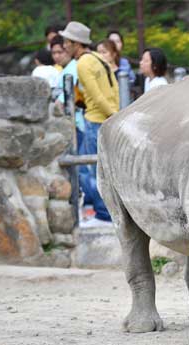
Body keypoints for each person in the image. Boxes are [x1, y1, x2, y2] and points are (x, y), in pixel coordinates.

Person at [60, 21, 119, 226]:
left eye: (67, 41)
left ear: (76, 43)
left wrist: (113, 115)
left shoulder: (83, 63)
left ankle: (103, 215)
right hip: (106, 119)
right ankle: (108, 214)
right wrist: (116, 113)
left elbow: (96, 95)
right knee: (104, 170)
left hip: (96, 120)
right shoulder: (98, 58)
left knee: (88, 171)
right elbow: (114, 89)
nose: (64, 45)